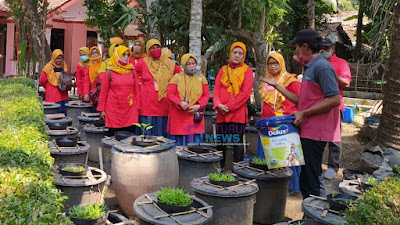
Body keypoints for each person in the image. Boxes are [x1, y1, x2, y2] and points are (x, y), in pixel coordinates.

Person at [261, 29, 340, 198]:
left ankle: (317, 215)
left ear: (305, 46)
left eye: (297, 47)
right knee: (306, 177)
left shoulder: (322, 67)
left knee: (312, 178)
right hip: (307, 129)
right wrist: (277, 86)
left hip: (316, 131)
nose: (295, 51)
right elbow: (301, 101)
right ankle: (310, 213)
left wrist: (303, 113)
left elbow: (334, 99)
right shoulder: (311, 67)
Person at [256, 52, 301, 194]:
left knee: (288, 156)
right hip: (267, 123)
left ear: (281, 63)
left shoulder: (290, 80)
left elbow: (301, 100)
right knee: (268, 156)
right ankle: (269, 185)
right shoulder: (265, 81)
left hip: (285, 124)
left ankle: (292, 186)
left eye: (276, 63)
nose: (273, 66)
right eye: (270, 63)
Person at [213, 42, 254, 169]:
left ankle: (237, 170)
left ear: (243, 56)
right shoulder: (223, 70)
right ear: (230, 54)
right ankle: (219, 169)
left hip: (237, 115)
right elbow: (216, 90)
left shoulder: (247, 71)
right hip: (221, 113)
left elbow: (245, 94)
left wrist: (229, 107)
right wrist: (218, 104)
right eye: (234, 52)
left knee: (237, 144)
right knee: (221, 143)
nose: (236, 55)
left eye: (240, 53)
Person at [134, 39, 182, 137]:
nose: (155, 50)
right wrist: (139, 82)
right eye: (152, 48)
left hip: (163, 101)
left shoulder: (168, 63)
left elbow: (180, 74)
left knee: (161, 130)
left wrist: (171, 83)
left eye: (157, 47)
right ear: (148, 50)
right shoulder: (143, 62)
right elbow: (133, 72)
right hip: (146, 101)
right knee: (146, 132)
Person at [320, 38, 352, 180]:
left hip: (334, 105)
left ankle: (333, 167)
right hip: (316, 105)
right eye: (321, 48)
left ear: (332, 48)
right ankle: (316, 164)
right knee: (316, 136)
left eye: (326, 48)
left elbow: (346, 83)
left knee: (334, 138)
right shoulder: (315, 62)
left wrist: (332, 74)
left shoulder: (341, 63)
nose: (323, 51)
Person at [166, 53, 209, 146]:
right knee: (178, 148)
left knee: (194, 148)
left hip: (194, 117)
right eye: (188, 64)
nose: (191, 66)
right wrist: (180, 102)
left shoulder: (201, 78)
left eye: (193, 63)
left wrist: (199, 105)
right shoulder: (177, 77)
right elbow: (169, 94)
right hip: (179, 117)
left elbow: (206, 95)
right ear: (184, 65)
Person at [97, 45, 138, 136]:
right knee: (114, 137)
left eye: (128, 55)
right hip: (113, 108)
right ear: (117, 55)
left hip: (129, 109)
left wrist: (137, 107)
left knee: (128, 136)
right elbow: (104, 92)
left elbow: (136, 91)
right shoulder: (109, 72)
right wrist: (102, 109)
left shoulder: (132, 71)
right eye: (124, 55)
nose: (127, 57)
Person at [39, 49, 69, 115]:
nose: (59, 60)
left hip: (64, 94)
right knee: (54, 113)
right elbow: (42, 80)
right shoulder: (48, 67)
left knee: (63, 114)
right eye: (57, 58)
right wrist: (48, 86)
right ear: (53, 57)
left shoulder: (64, 65)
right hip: (53, 94)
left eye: (61, 58)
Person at [83, 47, 102, 111]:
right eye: (92, 53)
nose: (94, 54)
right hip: (93, 93)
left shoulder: (103, 65)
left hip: (101, 92)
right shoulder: (89, 67)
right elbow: (86, 81)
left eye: (96, 52)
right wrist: (86, 93)